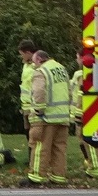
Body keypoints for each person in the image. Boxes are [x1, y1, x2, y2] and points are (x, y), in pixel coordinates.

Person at [26, 50, 72, 185]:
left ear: (39, 59)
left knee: (41, 146)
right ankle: (59, 177)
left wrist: (38, 110)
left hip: (46, 118)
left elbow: (39, 92)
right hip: (62, 117)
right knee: (60, 148)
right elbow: (68, 91)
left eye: (34, 62)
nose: (34, 65)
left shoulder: (41, 71)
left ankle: (36, 177)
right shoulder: (61, 69)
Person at [72, 52, 98, 178]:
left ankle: (96, 168)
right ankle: (96, 165)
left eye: (77, 57)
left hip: (85, 114)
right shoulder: (89, 74)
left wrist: (79, 115)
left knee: (89, 141)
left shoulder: (86, 75)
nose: (77, 60)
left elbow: (82, 98)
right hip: (89, 113)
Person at [17, 39, 42, 175]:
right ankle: (30, 156)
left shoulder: (36, 64)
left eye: (22, 54)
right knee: (27, 131)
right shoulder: (26, 65)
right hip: (26, 103)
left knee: (34, 133)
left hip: (33, 104)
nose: (22, 57)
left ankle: (34, 157)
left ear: (28, 52)